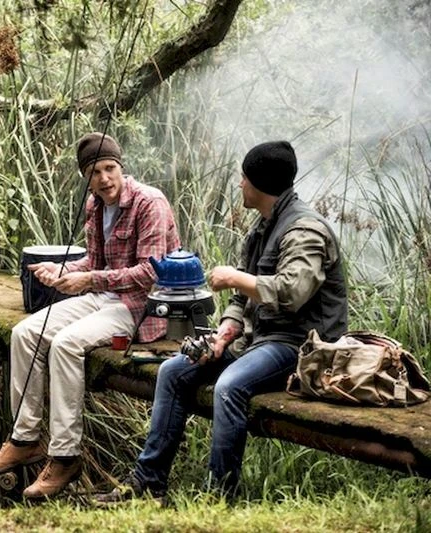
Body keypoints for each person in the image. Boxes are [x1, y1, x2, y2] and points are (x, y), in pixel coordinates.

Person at [95, 140, 348, 503]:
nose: (239, 184)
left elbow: (292, 292)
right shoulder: (264, 226)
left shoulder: (304, 231)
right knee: (173, 370)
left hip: (299, 345)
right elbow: (241, 301)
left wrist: (234, 277)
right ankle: (148, 484)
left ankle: (218, 498)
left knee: (229, 386)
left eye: (244, 178)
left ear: (259, 184)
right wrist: (225, 333)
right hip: (257, 339)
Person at [0, 132, 181, 499]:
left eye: (110, 168)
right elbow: (95, 261)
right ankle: (24, 439)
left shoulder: (150, 203)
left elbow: (150, 272)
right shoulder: (94, 205)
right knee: (25, 333)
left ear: (121, 167)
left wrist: (89, 279)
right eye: (94, 172)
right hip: (102, 297)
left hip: (140, 307)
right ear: (86, 177)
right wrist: (62, 270)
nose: (104, 179)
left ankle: (65, 456)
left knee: (66, 344)